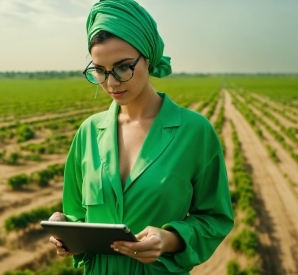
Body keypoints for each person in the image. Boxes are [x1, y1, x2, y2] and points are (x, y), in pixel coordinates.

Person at [48, 0, 234, 274]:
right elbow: (77, 214)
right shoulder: (88, 132)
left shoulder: (195, 131)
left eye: (123, 67)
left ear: (147, 58)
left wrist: (170, 240)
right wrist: (65, 228)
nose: (111, 83)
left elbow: (215, 218)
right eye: (99, 70)